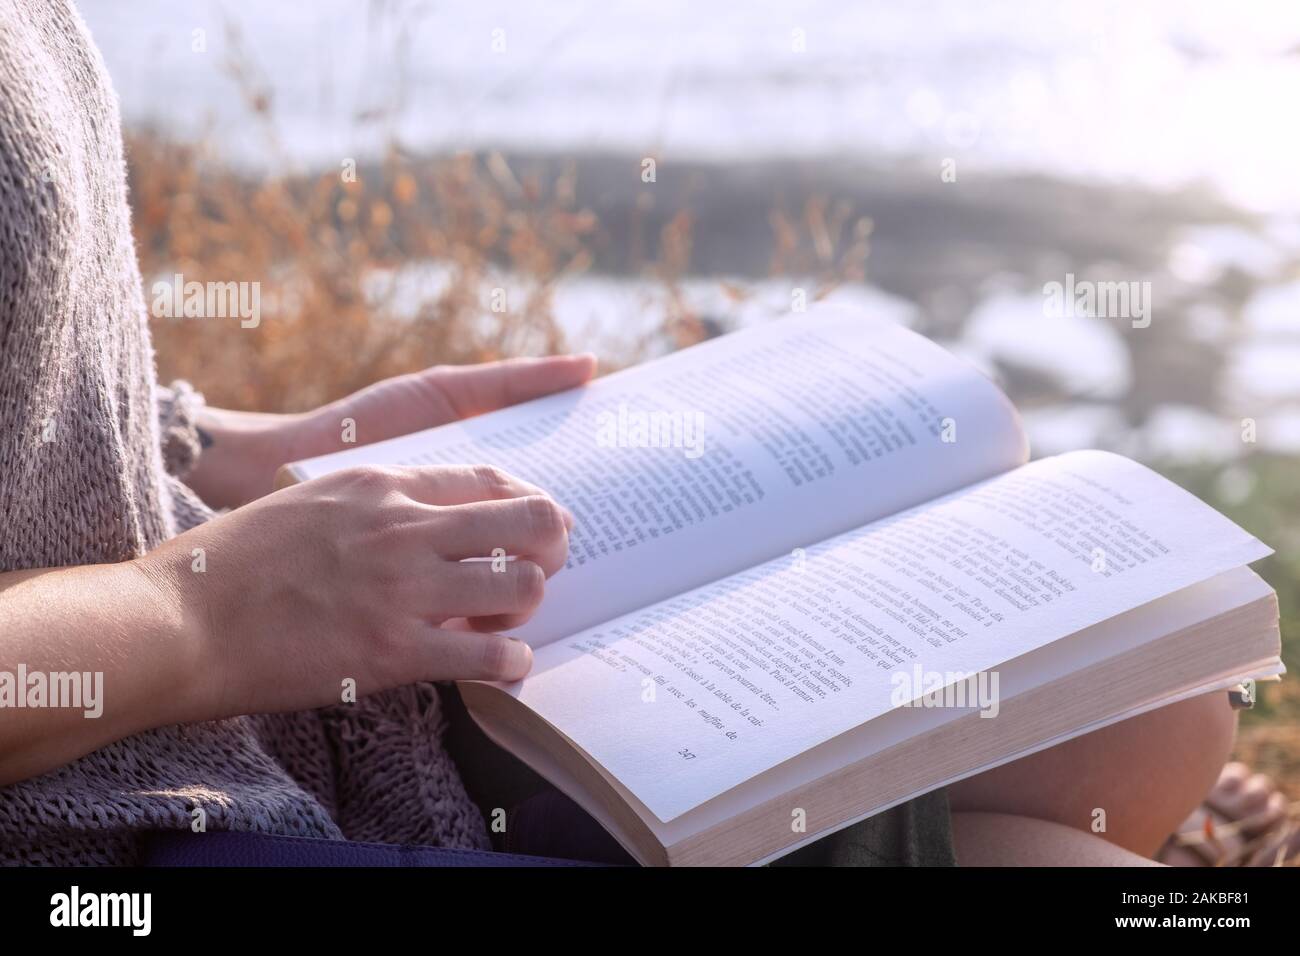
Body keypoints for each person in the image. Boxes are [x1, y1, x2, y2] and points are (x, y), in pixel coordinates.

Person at [0, 0, 1289, 867]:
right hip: (112, 826)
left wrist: (220, 442)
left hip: (247, 677)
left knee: (1142, 708)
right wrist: (201, 616)